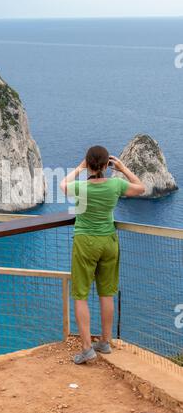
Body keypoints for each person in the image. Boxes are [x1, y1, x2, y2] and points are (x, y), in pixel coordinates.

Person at [60, 145, 145, 364]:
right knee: (106, 293)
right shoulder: (115, 185)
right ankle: (105, 342)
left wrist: (79, 168)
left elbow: (62, 185)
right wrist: (123, 168)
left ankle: (87, 348)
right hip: (109, 241)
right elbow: (141, 188)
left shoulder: (80, 187)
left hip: (85, 242)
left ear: (89, 164)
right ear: (107, 165)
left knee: (80, 295)